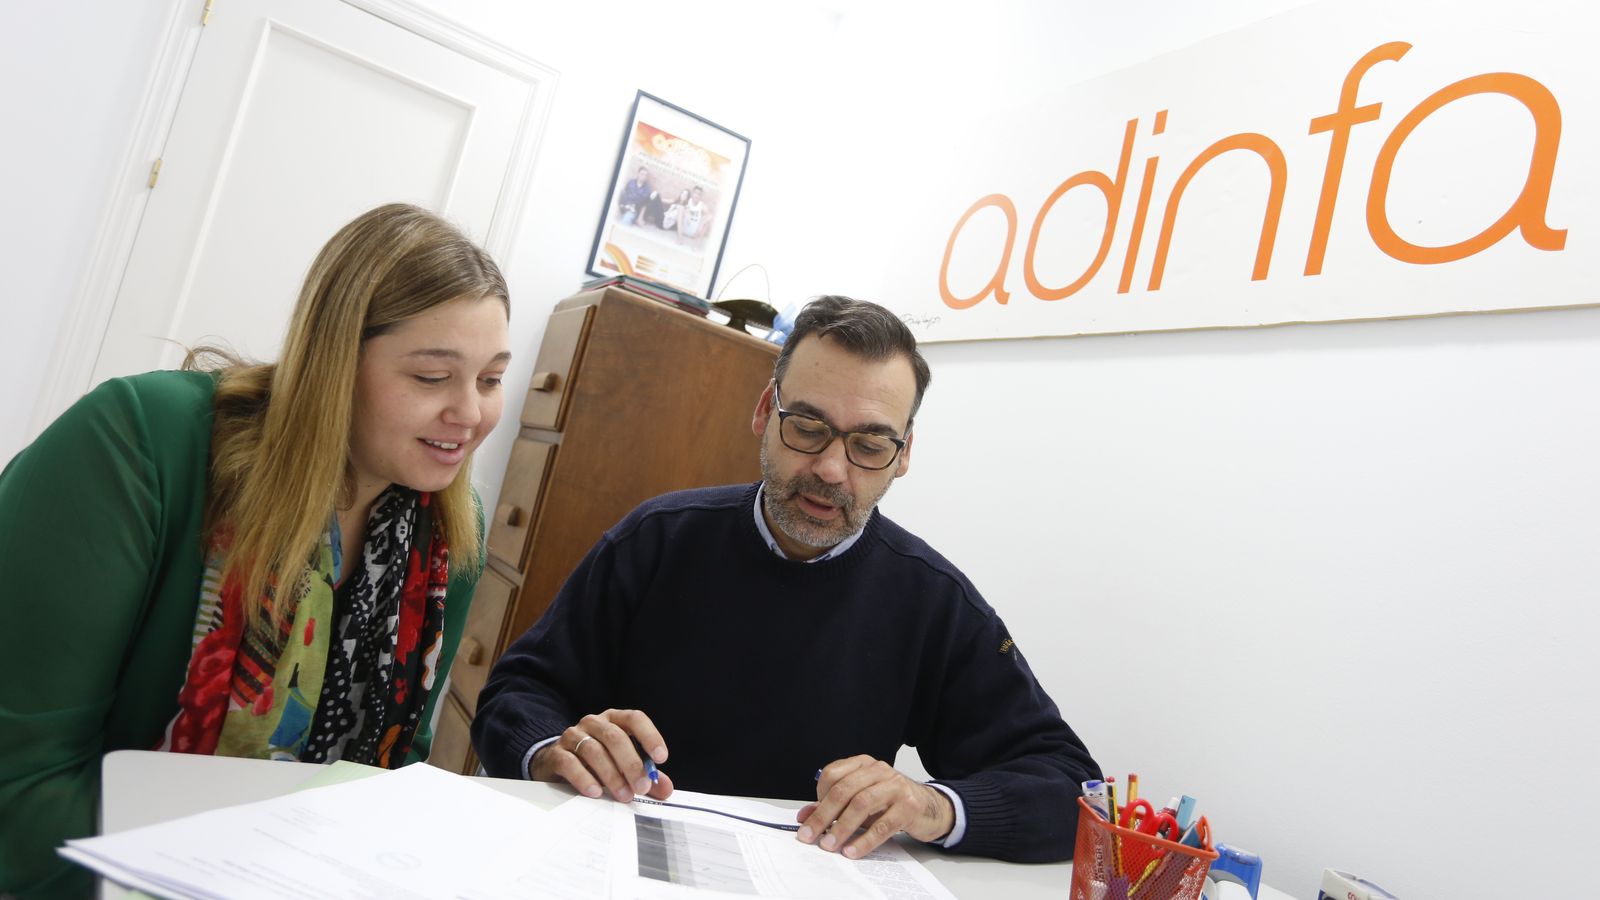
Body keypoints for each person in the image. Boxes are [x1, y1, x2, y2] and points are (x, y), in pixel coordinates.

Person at [472, 296, 1100, 864]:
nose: (830, 468)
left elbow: (1073, 788)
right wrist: (554, 747)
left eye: (871, 445)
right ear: (765, 413)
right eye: (808, 427)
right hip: (614, 860)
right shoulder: (657, 539)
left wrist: (931, 806)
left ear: (904, 454)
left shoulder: (932, 600)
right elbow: (514, 694)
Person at [0, 203, 511, 898]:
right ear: (333, 362)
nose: (470, 414)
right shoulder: (139, 443)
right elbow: (18, 782)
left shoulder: (450, 535)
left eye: (489, 379)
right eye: (431, 377)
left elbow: (387, 776)